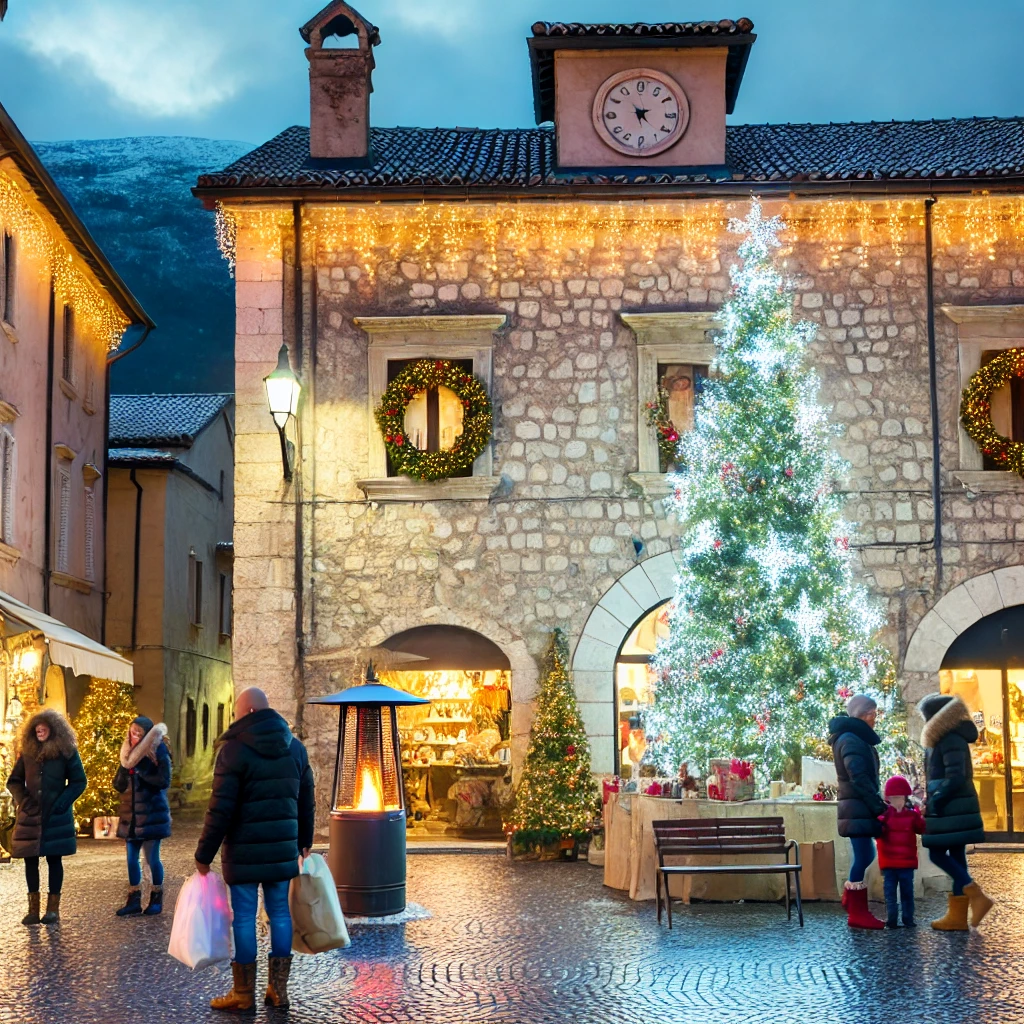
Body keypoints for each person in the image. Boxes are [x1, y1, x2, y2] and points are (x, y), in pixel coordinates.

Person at [195, 688, 315, 1012]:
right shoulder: (296, 749)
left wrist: (203, 856)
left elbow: (219, 810)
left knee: (244, 919)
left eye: (235, 713)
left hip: (244, 855)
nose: (233, 719)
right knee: (280, 914)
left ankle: (243, 994)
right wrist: (305, 841)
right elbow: (306, 800)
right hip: (281, 852)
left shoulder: (234, 752)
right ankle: (279, 990)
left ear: (247, 713)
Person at [918, 692, 993, 931]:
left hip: (951, 806)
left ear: (937, 718)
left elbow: (956, 777)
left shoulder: (950, 738)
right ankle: (958, 917)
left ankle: (976, 895)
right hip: (952, 806)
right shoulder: (945, 738)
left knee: (937, 854)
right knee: (957, 855)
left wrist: (937, 800)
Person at [6, 708, 87, 926]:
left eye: (43, 729)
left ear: (54, 729)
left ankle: (52, 910)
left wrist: (62, 803)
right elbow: (13, 781)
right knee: (30, 860)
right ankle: (33, 910)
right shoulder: (28, 753)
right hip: (31, 815)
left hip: (56, 815)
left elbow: (79, 781)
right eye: (37, 729)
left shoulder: (66, 751)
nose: (39, 731)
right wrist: (24, 800)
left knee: (54, 859)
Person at [829, 693, 887, 929]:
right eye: (872, 714)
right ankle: (857, 912)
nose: (875, 719)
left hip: (857, 807)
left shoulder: (853, 738)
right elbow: (860, 778)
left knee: (864, 854)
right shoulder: (851, 740)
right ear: (862, 715)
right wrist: (877, 807)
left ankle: (851, 900)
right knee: (864, 855)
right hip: (858, 807)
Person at [112, 716, 172, 916]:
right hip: (131, 815)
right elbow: (119, 785)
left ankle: (156, 897)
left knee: (152, 858)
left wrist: (140, 770)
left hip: (152, 813)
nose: (134, 735)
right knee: (131, 859)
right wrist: (123, 770)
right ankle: (134, 899)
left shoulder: (157, 750)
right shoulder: (126, 752)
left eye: (139, 732)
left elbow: (163, 780)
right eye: (132, 731)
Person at [876, 774, 925, 928]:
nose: (897, 801)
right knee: (897, 893)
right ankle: (897, 919)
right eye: (894, 797)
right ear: (889, 799)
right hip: (896, 863)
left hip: (899, 863)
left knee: (902, 893)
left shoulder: (887, 816)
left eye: (900, 797)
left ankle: (902, 919)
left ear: (905, 798)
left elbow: (921, 828)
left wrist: (919, 813)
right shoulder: (886, 816)